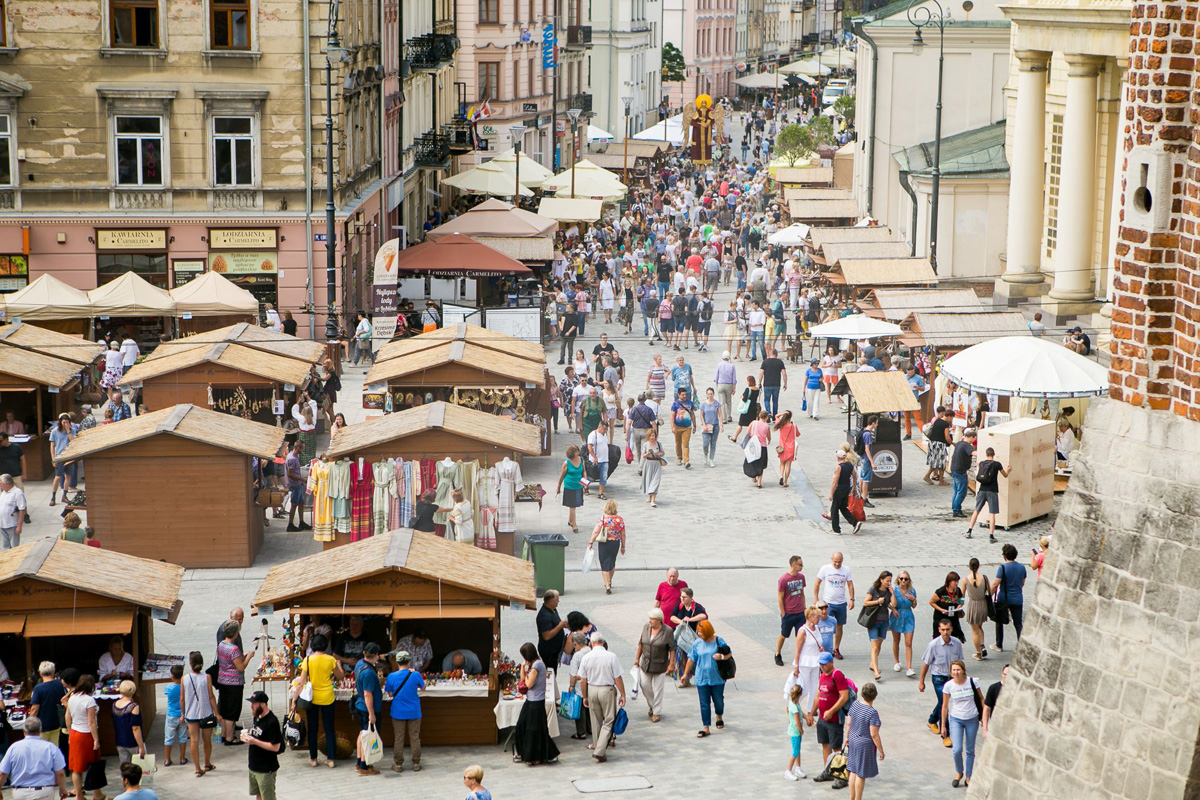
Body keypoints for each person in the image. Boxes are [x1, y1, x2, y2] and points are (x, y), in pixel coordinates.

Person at [293, 633, 344, 768]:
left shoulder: (308, 660)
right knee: (329, 728)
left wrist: (294, 699)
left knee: (313, 728)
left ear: (312, 645)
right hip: (328, 697)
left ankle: (313, 758)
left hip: (312, 698)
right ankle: (331, 758)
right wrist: (339, 665)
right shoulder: (330, 659)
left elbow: (302, 681)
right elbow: (340, 677)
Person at [578, 633, 626, 763]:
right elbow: (617, 678)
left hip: (592, 688)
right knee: (609, 720)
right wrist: (623, 694)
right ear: (603, 643)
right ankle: (599, 750)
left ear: (592, 643)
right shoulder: (611, 656)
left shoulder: (586, 657)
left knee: (595, 721)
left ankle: (598, 748)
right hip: (607, 689)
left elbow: (583, 680)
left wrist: (585, 696)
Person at [680, 620, 730, 738]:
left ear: (707, 631)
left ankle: (719, 715)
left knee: (718, 701)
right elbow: (691, 659)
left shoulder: (718, 641)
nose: (698, 633)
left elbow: (729, 653)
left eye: (701, 632)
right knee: (704, 703)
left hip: (717, 678)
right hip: (702, 678)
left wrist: (722, 656)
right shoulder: (697, 643)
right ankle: (706, 727)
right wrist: (685, 674)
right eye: (698, 631)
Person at [919, 619, 963, 748]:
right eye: (943, 630)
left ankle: (932, 720)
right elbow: (926, 663)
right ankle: (946, 734)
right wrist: (921, 681)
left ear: (951, 629)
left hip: (952, 677)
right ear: (939, 630)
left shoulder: (957, 643)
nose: (945, 632)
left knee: (942, 702)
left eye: (947, 629)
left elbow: (960, 663)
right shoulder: (933, 645)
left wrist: (962, 678)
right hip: (939, 677)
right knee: (945, 704)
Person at [0, 717, 69, 799]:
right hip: (44, 791)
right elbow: (60, 773)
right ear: (40, 730)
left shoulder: (14, 748)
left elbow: (3, 773)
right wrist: (62, 789)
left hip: (20, 792)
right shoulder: (51, 747)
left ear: (24, 731)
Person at [513, 642, 559, 767]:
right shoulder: (533, 665)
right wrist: (523, 668)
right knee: (522, 725)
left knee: (533, 730)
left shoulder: (537, 666)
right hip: (531, 700)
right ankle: (525, 752)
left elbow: (528, 684)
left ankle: (534, 756)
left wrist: (527, 670)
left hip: (536, 702)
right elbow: (523, 680)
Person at [941, 660, 984, 788]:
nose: (956, 672)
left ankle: (969, 776)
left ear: (963, 670)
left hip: (972, 718)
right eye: (953, 670)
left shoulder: (972, 682)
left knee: (970, 749)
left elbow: (981, 698)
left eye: (958, 669)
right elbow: (944, 706)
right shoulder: (949, 686)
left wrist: (984, 717)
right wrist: (943, 725)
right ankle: (959, 771)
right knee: (957, 749)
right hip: (956, 719)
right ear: (950, 671)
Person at [808, 652, 850, 783]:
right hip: (822, 719)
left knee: (836, 747)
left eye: (824, 664)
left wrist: (832, 711)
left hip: (834, 719)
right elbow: (818, 695)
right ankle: (828, 771)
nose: (821, 666)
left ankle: (840, 776)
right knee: (825, 745)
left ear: (831, 662)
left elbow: (844, 696)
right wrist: (811, 712)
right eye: (820, 664)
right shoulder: (822, 676)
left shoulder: (837, 675)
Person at [384, 650, 425, 772]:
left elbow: (390, 693)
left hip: (398, 711)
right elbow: (423, 688)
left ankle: (398, 764)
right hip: (414, 711)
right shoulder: (416, 674)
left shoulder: (391, 676)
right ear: (409, 661)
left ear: (397, 662)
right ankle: (416, 763)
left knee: (399, 738)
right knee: (415, 737)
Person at [181, 651, 219, 778]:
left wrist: (183, 712)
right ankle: (207, 763)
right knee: (207, 740)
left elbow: (182, 698)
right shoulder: (207, 677)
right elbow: (211, 696)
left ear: (190, 664)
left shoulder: (184, 679)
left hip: (191, 714)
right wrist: (217, 713)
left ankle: (197, 769)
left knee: (194, 741)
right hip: (206, 712)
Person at [843, 683, 884, 800]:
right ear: (875, 696)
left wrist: (847, 737)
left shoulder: (855, 705)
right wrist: (881, 750)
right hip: (864, 745)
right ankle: (858, 798)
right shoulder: (872, 712)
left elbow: (849, 723)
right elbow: (874, 734)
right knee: (861, 773)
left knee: (853, 770)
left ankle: (851, 797)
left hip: (853, 740)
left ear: (862, 693)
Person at [217, 620, 255, 746]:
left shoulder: (221, 644)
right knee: (232, 711)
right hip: (233, 683)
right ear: (235, 634)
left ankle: (223, 734)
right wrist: (248, 657)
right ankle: (230, 737)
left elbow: (231, 661)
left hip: (222, 680)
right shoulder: (234, 649)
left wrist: (241, 657)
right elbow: (241, 667)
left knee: (224, 708)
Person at [65, 674, 103, 799]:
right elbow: (91, 722)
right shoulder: (89, 700)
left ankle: (79, 794)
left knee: (76, 767)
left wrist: (70, 733)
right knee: (95, 765)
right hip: (87, 734)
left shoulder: (72, 698)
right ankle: (97, 793)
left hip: (75, 732)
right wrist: (96, 739)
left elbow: (67, 717)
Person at [240, 690, 283, 800]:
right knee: (259, 795)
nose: (251, 706)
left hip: (266, 768)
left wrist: (254, 741)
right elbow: (258, 735)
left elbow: (276, 747)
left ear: (263, 704)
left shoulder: (272, 722)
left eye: (254, 703)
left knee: (268, 797)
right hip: (254, 765)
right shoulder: (257, 716)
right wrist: (248, 736)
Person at [964, 446, 1010, 543]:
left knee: (976, 511)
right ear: (993, 454)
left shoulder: (982, 463)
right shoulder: (997, 464)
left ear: (986, 454)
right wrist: (1008, 470)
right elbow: (1005, 475)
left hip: (982, 490)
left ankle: (969, 531)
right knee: (992, 514)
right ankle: (991, 536)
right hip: (992, 491)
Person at [635, 608, 674, 723]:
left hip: (660, 665)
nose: (650, 621)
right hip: (645, 663)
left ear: (659, 620)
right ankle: (652, 704)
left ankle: (656, 712)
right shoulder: (646, 627)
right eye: (649, 619)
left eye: (652, 619)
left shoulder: (668, 631)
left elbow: (672, 649)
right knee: (644, 685)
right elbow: (641, 643)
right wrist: (637, 658)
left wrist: (671, 664)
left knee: (658, 689)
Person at [350, 642, 383, 776]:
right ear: (375, 655)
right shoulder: (369, 673)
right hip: (367, 708)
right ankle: (365, 766)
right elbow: (367, 694)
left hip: (360, 705)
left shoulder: (359, 664)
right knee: (368, 736)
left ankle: (359, 762)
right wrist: (372, 714)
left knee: (362, 734)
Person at [814, 552, 854, 659]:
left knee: (839, 626)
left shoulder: (846, 570)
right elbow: (817, 582)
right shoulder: (825, 568)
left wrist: (852, 599)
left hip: (841, 603)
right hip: (828, 603)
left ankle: (836, 648)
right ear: (831, 559)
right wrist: (816, 599)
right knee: (825, 626)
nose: (837, 564)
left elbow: (850, 584)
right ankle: (824, 648)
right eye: (835, 561)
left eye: (839, 562)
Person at [587, 500, 626, 594]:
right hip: (615, 543)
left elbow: (596, 531)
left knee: (604, 563)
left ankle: (607, 585)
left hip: (604, 543)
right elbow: (623, 534)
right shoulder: (619, 519)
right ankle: (609, 581)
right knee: (612, 562)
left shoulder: (603, 519)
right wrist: (623, 546)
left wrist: (591, 542)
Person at [993, 543, 1028, 652]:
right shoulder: (1022, 567)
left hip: (1004, 599)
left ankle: (999, 644)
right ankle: (1021, 645)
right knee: (1018, 624)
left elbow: (996, 584)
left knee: (999, 621)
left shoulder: (1002, 568)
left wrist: (988, 594)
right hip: (1017, 598)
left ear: (1004, 555)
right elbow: (1022, 583)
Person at [862, 572, 896, 680]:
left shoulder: (888, 591)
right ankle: (876, 671)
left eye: (890, 580)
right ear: (881, 580)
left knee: (879, 643)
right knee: (874, 646)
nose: (888, 583)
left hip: (884, 620)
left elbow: (893, 604)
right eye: (887, 580)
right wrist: (877, 601)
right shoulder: (873, 589)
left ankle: (873, 663)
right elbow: (866, 603)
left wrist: (893, 594)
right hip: (873, 620)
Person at [774, 555, 807, 667]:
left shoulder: (801, 577)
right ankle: (777, 653)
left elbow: (802, 593)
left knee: (800, 636)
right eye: (800, 564)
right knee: (784, 635)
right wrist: (783, 613)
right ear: (793, 565)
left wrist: (804, 607)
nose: (802, 566)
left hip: (800, 613)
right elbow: (780, 597)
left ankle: (799, 656)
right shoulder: (784, 579)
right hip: (788, 613)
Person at [28, 661, 66, 747]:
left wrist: (29, 724)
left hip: (42, 726)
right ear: (53, 672)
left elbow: (34, 709)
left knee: (41, 752)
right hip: (56, 724)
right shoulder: (59, 685)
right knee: (54, 749)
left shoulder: (38, 688)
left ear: (40, 673)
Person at [825, 451, 861, 535]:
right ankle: (854, 522)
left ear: (838, 457)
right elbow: (854, 477)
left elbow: (835, 482)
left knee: (834, 509)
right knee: (843, 507)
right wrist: (854, 487)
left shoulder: (838, 467)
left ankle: (836, 529)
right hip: (847, 489)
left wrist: (831, 494)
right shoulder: (849, 465)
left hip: (839, 489)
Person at [889, 571, 918, 676]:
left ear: (908, 580)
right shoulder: (894, 590)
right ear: (898, 579)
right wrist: (893, 609)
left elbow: (914, 606)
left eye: (906, 579)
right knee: (896, 640)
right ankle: (897, 661)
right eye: (901, 578)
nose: (903, 581)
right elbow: (889, 602)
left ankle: (909, 667)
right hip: (897, 615)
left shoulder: (912, 591)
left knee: (908, 643)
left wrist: (913, 599)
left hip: (908, 617)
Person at [111, 680, 146, 766]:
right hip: (133, 742)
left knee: (125, 768)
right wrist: (141, 746)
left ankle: (125, 780)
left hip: (120, 741)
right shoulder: (133, 706)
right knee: (139, 768)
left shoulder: (114, 704)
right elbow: (135, 728)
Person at [963, 558, 991, 661]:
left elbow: (962, 595)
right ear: (978, 566)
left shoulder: (965, 579)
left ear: (969, 566)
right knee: (980, 627)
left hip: (973, 605)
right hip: (983, 604)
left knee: (974, 631)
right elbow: (989, 591)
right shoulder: (984, 578)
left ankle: (978, 653)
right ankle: (982, 645)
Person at [535, 590, 568, 676]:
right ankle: (549, 688)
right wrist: (560, 626)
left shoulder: (553, 610)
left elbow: (558, 622)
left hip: (555, 651)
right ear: (551, 602)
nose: (558, 602)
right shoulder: (544, 616)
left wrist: (564, 625)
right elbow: (547, 636)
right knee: (550, 673)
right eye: (557, 600)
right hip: (549, 651)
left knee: (554, 672)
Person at [555, 444, 585, 533]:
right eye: (577, 451)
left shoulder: (581, 460)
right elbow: (562, 476)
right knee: (573, 506)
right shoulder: (567, 463)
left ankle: (570, 520)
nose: (578, 452)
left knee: (575, 504)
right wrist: (558, 487)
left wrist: (585, 483)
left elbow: (583, 471)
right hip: (570, 486)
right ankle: (574, 525)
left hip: (579, 485)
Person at [161, 664, 187, 766]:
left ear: (172, 675)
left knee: (168, 738)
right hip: (182, 714)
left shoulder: (168, 687)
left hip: (171, 715)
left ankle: (167, 759)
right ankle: (182, 758)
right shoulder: (183, 687)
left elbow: (166, 694)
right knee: (183, 737)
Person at [48, 414, 76, 507]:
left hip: (69, 456)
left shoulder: (72, 431)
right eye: (64, 422)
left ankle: (64, 495)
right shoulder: (55, 432)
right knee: (58, 477)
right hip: (59, 456)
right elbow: (52, 445)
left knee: (68, 476)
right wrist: (53, 459)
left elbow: (73, 442)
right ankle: (53, 496)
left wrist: (68, 431)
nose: (65, 424)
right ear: (60, 422)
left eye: (67, 422)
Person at [930, 571, 966, 642]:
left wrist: (959, 606)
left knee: (953, 638)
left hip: (953, 618)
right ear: (949, 581)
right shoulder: (941, 591)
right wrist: (941, 609)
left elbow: (961, 601)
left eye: (957, 581)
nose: (956, 583)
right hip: (941, 618)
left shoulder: (958, 590)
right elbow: (931, 602)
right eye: (954, 581)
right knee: (939, 639)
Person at [949, 428, 976, 518]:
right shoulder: (967, 446)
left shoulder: (959, 443)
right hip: (960, 471)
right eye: (974, 438)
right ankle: (956, 510)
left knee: (956, 491)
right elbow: (973, 453)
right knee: (961, 491)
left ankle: (955, 508)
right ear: (971, 437)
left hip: (954, 469)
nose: (974, 440)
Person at [924, 408, 954, 485]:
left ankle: (938, 479)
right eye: (952, 418)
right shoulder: (945, 424)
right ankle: (934, 478)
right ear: (949, 416)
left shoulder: (937, 420)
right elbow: (947, 437)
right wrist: (953, 443)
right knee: (941, 463)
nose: (952, 420)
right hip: (939, 445)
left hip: (932, 443)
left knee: (935, 462)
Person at [742, 410, 771, 489]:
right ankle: (759, 482)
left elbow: (747, 432)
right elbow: (768, 436)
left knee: (753, 460)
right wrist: (769, 440)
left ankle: (753, 476)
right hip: (762, 446)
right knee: (760, 464)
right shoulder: (766, 426)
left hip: (753, 445)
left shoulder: (753, 423)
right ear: (766, 417)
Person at [784, 682, 807, 780]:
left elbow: (801, 713)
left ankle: (798, 768)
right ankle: (788, 771)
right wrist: (801, 730)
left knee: (797, 749)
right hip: (795, 732)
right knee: (795, 751)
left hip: (795, 731)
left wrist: (807, 717)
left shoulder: (794, 703)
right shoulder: (794, 707)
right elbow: (797, 721)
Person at [639, 427, 666, 508]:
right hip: (648, 464)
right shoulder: (645, 444)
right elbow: (643, 456)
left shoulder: (659, 444)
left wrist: (659, 453)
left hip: (657, 464)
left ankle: (653, 500)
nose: (652, 437)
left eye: (653, 435)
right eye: (650, 435)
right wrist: (647, 453)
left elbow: (663, 453)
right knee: (649, 481)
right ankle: (650, 496)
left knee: (655, 482)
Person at [757, 347, 787, 419]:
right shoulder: (780, 362)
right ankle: (775, 416)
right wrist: (785, 383)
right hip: (776, 384)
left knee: (767, 399)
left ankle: (768, 412)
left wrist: (759, 382)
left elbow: (761, 373)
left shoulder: (765, 362)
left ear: (770, 354)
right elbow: (784, 373)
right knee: (775, 401)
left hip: (767, 384)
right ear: (776, 354)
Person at [856, 415, 879, 508]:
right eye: (877, 423)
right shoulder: (868, 434)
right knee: (866, 480)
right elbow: (867, 449)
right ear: (873, 423)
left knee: (862, 477)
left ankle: (860, 496)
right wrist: (872, 462)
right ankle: (864, 498)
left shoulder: (863, 430)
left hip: (862, 458)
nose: (877, 425)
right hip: (866, 459)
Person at [730, 375, 760, 443]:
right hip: (754, 408)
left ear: (749, 382)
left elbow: (745, 399)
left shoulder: (748, 389)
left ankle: (735, 437)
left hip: (747, 409)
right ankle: (751, 438)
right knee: (751, 424)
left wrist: (742, 396)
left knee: (740, 424)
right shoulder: (757, 389)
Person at [669, 387, 695, 468]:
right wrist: (672, 426)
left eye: (685, 394)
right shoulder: (675, 404)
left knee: (685, 444)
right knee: (678, 443)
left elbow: (692, 414)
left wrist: (695, 425)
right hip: (677, 426)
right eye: (682, 395)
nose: (684, 396)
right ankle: (679, 457)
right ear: (678, 395)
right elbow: (672, 416)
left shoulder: (690, 403)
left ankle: (686, 461)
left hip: (687, 427)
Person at [0, 473, 26, 550]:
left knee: (15, 547)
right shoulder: (3, 492)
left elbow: (22, 509)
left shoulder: (17, 493)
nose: (0, 485)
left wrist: (19, 526)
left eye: (1, 483)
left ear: (7, 484)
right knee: (5, 547)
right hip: (2, 524)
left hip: (12, 524)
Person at [586, 419, 611, 499]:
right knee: (591, 477)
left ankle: (600, 493)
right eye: (604, 429)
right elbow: (589, 447)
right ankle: (585, 487)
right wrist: (594, 457)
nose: (605, 431)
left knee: (603, 477)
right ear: (599, 427)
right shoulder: (593, 435)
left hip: (605, 460)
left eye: (606, 429)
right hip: (596, 460)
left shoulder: (604, 435)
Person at [982, 663, 1008, 737]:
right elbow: (986, 709)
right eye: (1005, 674)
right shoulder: (993, 688)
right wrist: (985, 729)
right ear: (1001, 674)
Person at [698, 386, 722, 467]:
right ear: (706, 395)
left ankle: (711, 459)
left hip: (715, 425)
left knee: (713, 443)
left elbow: (720, 415)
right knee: (705, 443)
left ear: (713, 394)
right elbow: (701, 415)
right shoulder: (703, 404)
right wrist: (704, 424)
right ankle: (705, 454)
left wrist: (721, 425)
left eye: (711, 394)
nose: (710, 395)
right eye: (708, 394)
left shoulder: (717, 404)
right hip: (706, 426)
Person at [774, 410, 799, 487]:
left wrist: (782, 413)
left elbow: (776, 416)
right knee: (788, 465)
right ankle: (785, 482)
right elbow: (797, 434)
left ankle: (781, 476)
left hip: (782, 447)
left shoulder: (781, 424)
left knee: (782, 463)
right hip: (791, 447)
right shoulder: (793, 426)